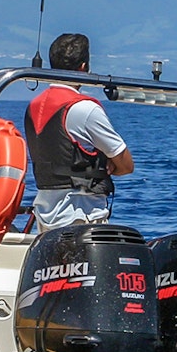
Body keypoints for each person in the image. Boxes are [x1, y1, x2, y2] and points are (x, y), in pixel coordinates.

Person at [24, 33, 133, 231]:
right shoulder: (85, 109)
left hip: (45, 218)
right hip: (80, 217)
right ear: (83, 67)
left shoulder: (33, 107)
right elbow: (126, 165)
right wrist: (107, 166)